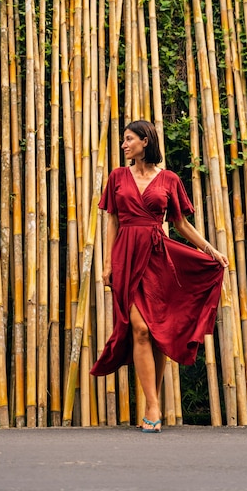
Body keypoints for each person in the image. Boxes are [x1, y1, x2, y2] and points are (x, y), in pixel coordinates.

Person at [90, 120, 229, 433]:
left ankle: (153, 403)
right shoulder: (117, 177)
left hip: (158, 258)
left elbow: (180, 224)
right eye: (123, 140)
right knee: (138, 328)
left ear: (144, 141)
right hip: (126, 256)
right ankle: (153, 405)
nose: (124, 145)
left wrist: (210, 250)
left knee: (157, 330)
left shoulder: (169, 179)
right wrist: (108, 263)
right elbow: (112, 222)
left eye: (129, 139)